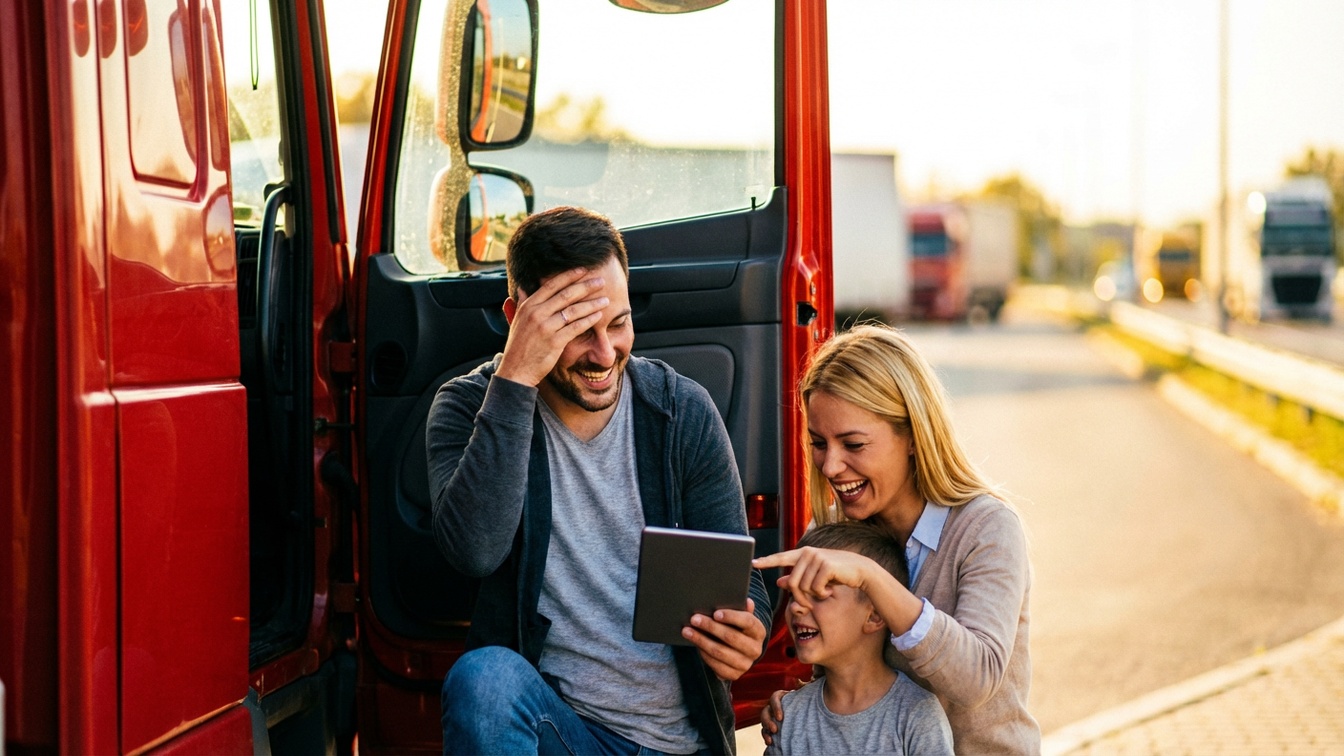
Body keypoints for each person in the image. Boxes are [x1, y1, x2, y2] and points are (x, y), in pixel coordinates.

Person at [427, 205, 771, 756]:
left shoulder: (682, 411)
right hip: (565, 733)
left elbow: (739, 578)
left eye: (618, 323)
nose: (605, 354)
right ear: (518, 318)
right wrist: (515, 377)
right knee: (483, 680)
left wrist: (746, 633)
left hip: (676, 744)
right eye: (578, 331)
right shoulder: (468, 406)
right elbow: (475, 550)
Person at [754, 324, 1039, 754]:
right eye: (818, 442)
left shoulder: (987, 529)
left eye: (852, 443)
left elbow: (977, 677)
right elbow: (833, 661)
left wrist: (873, 580)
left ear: (911, 436)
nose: (830, 466)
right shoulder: (833, 532)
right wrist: (798, 705)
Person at [764, 521, 953, 756]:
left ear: (875, 616)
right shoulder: (788, 715)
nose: (796, 608)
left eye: (818, 594)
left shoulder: (917, 714)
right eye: (793, 595)